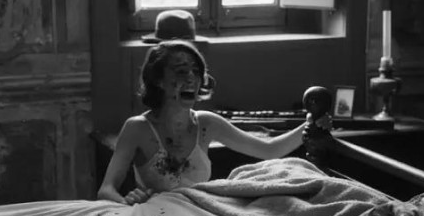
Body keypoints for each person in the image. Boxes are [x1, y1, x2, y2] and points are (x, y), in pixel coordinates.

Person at [97, 39, 331, 205]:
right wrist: (127, 202)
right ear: (159, 80)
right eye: (181, 71)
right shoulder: (137, 128)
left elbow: (269, 150)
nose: (191, 78)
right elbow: (106, 190)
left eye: (196, 71)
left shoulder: (207, 124)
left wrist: (310, 123)